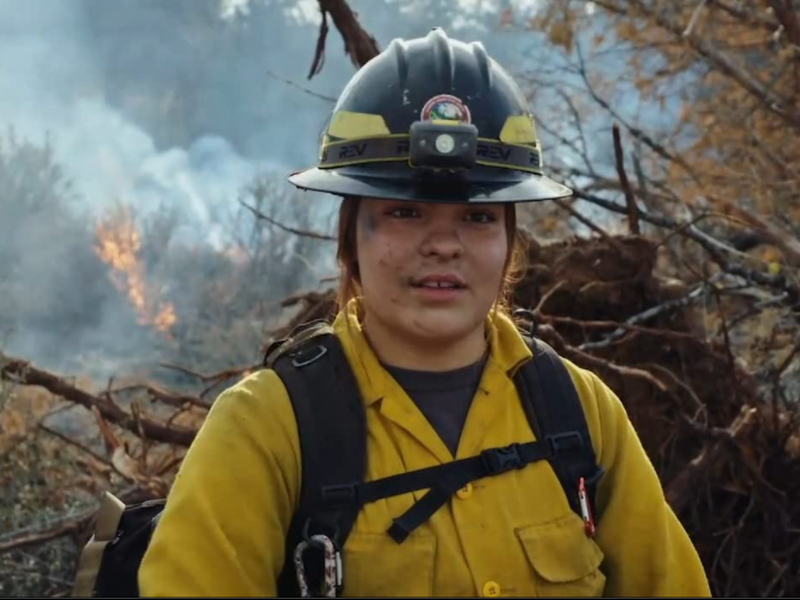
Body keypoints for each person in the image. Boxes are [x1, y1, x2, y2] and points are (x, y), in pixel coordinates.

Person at [138, 28, 711, 597]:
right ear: (350, 240)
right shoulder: (267, 428)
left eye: (477, 216)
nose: (443, 243)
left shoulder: (579, 414)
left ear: (510, 244)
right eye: (406, 212)